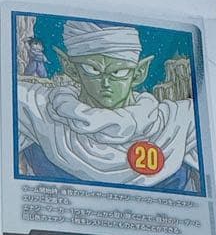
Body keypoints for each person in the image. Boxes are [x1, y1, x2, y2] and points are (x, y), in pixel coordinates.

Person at [17, 20, 199, 191]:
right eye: (92, 69)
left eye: (118, 72)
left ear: (139, 73)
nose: (106, 82)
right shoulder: (37, 111)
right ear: (71, 68)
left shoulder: (177, 124)